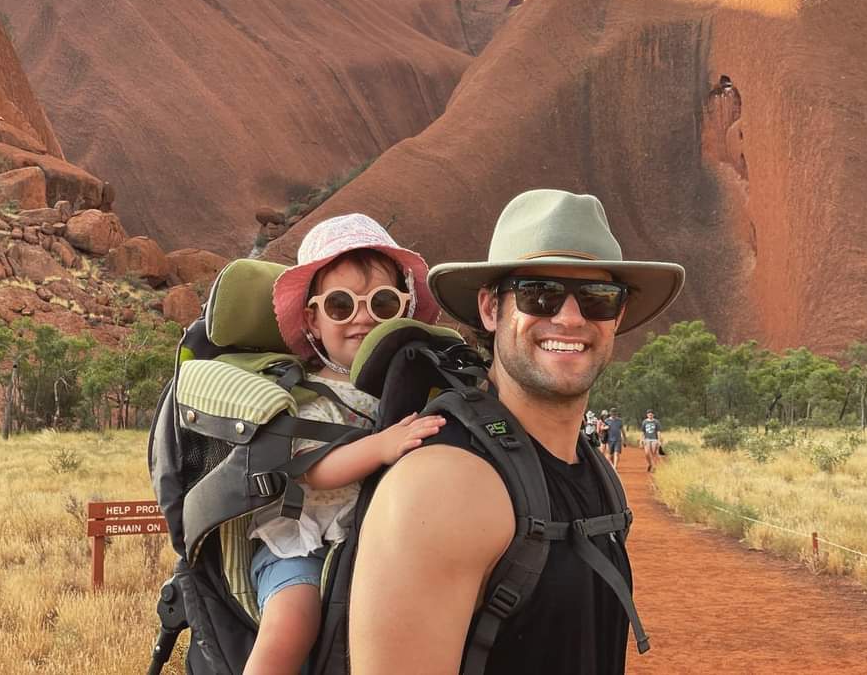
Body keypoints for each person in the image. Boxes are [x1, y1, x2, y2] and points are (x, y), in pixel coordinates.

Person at [349, 189, 684, 674]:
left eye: (597, 299)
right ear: (491, 309)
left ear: (618, 317)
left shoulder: (594, 471)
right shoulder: (442, 485)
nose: (570, 317)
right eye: (539, 294)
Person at [244, 214, 446, 675]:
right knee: (292, 622)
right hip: (302, 544)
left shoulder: (411, 385)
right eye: (340, 305)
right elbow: (312, 468)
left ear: (404, 309)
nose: (363, 317)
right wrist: (382, 446)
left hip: (378, 543)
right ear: (313, 321)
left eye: (382, 302)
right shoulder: (308, 393)